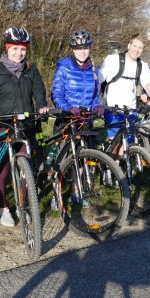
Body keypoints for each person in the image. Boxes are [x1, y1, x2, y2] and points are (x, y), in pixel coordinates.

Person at [0, 27, 48, 227]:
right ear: (7, 48)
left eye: (22, 49)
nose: (19, 53)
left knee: (26, 170)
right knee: (2, 169)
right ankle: (3, 208)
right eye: (15, 49)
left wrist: (41, 106)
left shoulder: (32, 71)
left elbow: (39, 91)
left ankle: (23, 206)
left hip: (27, 126)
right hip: (4, 126)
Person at [50, 29, 104, 205]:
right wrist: (68, 108)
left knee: (81, 159)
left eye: (86, 47)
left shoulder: (93, 68)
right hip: (68, 121)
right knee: (62, 161)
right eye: (78, 47)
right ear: (73, 49)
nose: (82, 51)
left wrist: (96, 105)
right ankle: (56, 197)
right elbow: (56, 93)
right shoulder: (64, 66)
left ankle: (76, 194)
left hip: (85, 121)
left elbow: (95, 94)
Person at [99, 33, 150, 147]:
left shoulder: (142, 65)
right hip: (113, 109)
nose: (136, 50)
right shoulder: (112, 60)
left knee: (128, 144)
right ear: (129, 45)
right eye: (135, 46)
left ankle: (121, 164)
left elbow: (147, 83)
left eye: (140, 48)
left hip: (131, 111)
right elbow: (98, 80)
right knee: (117, 145)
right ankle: (110, 164)